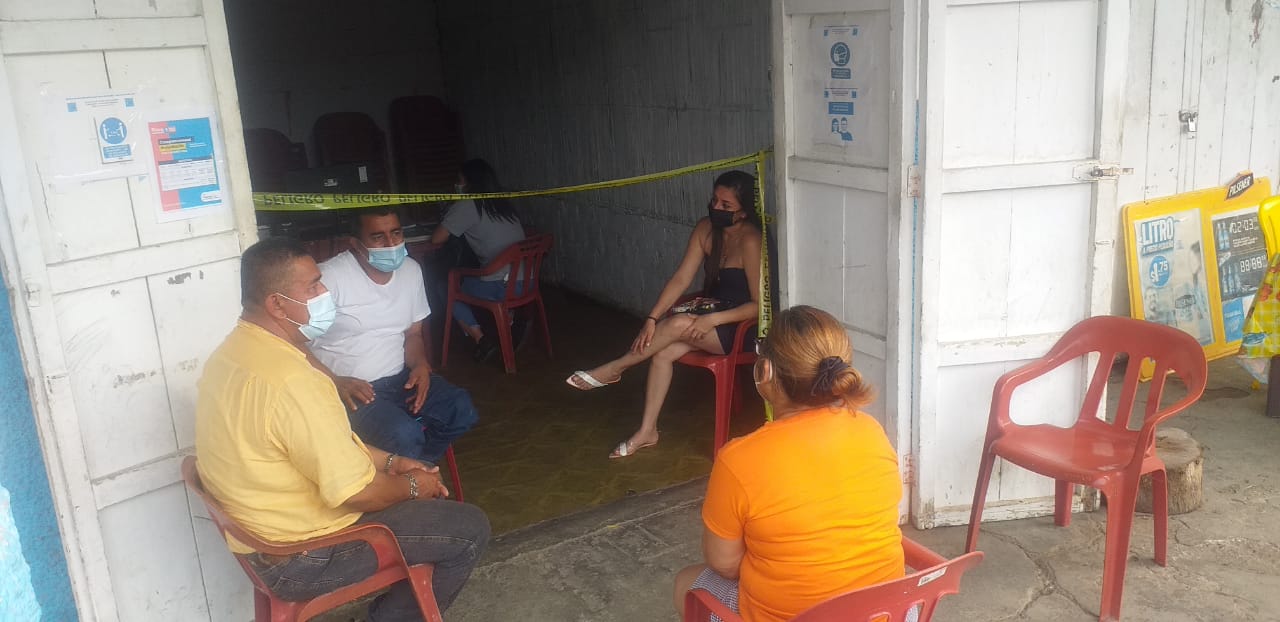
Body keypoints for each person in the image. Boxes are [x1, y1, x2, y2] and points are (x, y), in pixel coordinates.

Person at [195, 237, 489, 620]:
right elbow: (357, 494)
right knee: (469, 527)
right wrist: (416, 487)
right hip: (301, 556)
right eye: (313, 286)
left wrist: (393, 462)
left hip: (260, 539)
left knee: (418, 494)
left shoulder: (230, 355)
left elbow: (323, 446)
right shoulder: (294, 382)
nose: (325, 293)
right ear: (277, 304)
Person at [672, 305, 904, 622]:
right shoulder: (871, 431)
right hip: (887, 614)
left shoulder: (738, 460)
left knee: (685, 583)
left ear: (765, 371)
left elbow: (724, 564)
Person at [565, 170, 763, 459]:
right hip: (708, 317)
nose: (716, 208)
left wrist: (712, 320)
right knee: (663, 352)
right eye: (714, 200)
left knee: (679, 323)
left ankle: (616, 368)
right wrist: (652, 319)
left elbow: (758, 304)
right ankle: (647, 431)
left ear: (743, 212)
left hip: (738, 326)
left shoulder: (751, 241)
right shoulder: (705, 229)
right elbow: (681, 279)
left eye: (726, 205)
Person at [309, 207, 479, 466]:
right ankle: (410, 474)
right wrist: (335, 381)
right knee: (404, 435)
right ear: (355, 243)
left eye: (396, 233)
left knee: (461, 408)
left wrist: (420, 365)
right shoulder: (329, 278)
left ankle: (416, 470)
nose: (391, 244)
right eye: (378, 237)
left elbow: (413, 333)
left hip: (400, 380)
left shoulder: (411, 271)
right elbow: (292, 342)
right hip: (350, 390)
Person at [431, 158, 528, 363]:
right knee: (473, 276)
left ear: (469, 182)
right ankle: (508, 321)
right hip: (526, 282)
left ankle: (481, 339)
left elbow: (437, 238)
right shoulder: (502, 203)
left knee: (446, 286)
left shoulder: (468, 204)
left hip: (501, 286)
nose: (456, 185)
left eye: (459, 180)